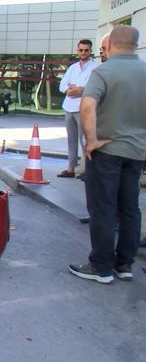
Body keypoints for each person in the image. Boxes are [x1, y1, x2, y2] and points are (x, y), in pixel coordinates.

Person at [68, 26, 146, 284]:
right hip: (136, 152)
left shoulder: (104, 71)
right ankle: (124, 264)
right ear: (137, 44)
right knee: (130, 208)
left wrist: (91, 141)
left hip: (107, 150)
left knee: (103, 208)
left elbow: (87, 104)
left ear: (111, 44)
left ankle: (101, 267)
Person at [57, 39, 97, 180]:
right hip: (69, 108)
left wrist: (82, 89)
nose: (83, 52)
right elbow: (62, 85)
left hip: (84, 109)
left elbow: (94, 88)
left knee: (85, 141)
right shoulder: (73, 68)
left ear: (90, 51)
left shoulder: (95, 68)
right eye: (81, 50)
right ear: (77, 51)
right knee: (71, 140)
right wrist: (70, 89)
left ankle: (87, 170)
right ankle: (70, 168)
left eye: (86, 50)